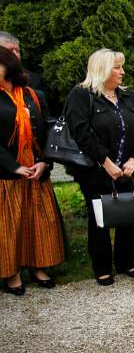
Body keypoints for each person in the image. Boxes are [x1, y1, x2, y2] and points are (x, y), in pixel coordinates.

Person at [65, 48, 134, 286]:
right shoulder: (81, 95)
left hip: (129, 168)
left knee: (129, 215)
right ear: (102, 69)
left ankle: (125, 261)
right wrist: (106, 162)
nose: (122, 72)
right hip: (96, 169)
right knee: (99, 218)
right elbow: (82, 133)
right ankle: (102, 266)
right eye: (117, 67)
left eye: (122, 67)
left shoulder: (128, 96)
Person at [0, 46, 64, 295]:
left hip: (36, 171)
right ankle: (12, 273)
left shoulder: (33, 95)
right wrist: (14, 167)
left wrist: (45, 162)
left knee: (39, 223)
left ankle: (39, 266)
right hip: (8, 175)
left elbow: (49, 132)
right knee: (11, 226)